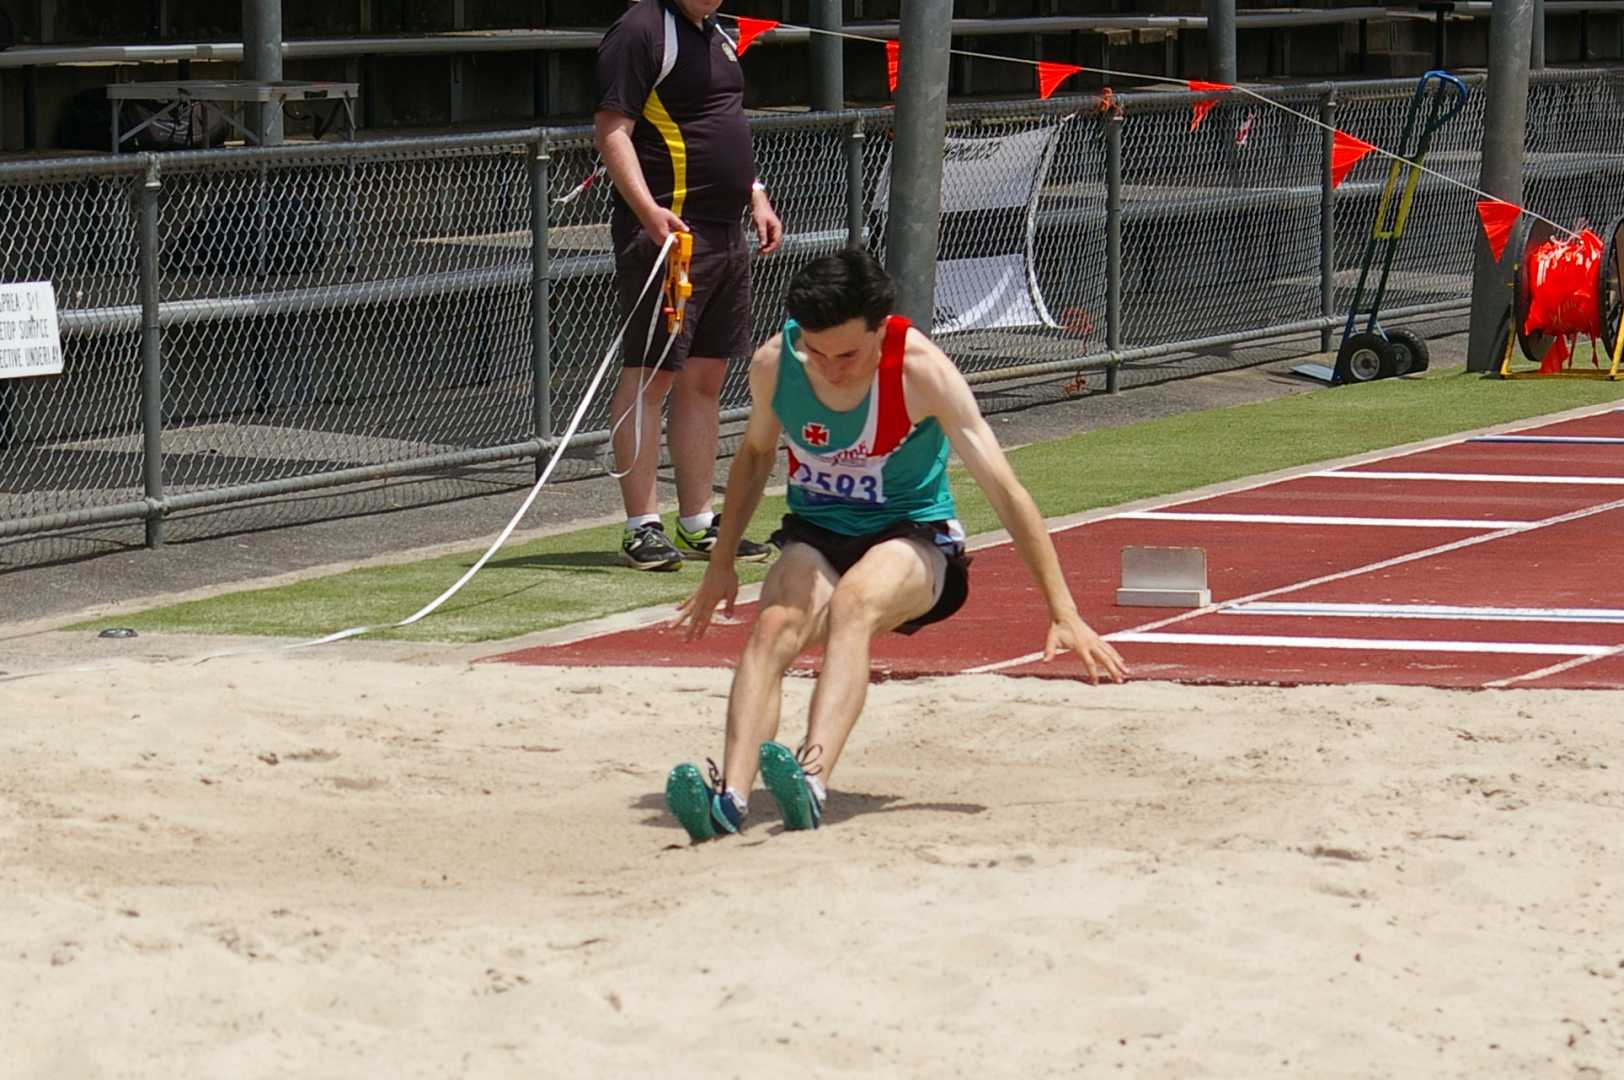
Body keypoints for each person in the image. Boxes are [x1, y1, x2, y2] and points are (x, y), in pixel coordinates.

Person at [663, 248, 1129, 841]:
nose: (830, 369)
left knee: (856, 602)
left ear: (882, 328)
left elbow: (1006, 492)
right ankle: (729, 797)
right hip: (818, 532)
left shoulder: (922, 372)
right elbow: (755, 454)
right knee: (773, 623)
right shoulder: (775, 363)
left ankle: (810, 778)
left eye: (849, 355)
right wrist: (721, 563)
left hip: (913, 539)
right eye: (817, 351)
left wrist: (1064, 611)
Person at [594, 0, 782, 571]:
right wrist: (648, 212)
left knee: (706, 375)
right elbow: (611, 129)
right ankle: (640, 525)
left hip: (726, 235)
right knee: (651, 373)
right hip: (671, 234)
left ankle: (699, 520)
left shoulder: (717, 33)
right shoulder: (642, 29)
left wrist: (755, 193)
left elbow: (720, 120)